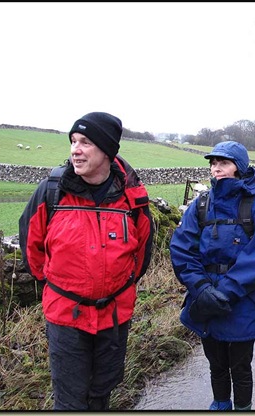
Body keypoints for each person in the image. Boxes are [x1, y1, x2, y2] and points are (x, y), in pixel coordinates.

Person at [18, 111, 153, 410]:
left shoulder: (132, 197)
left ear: (107, 150)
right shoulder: (52, 192)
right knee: (70, 401)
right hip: (66, 316)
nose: (75, 150)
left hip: (114, 315)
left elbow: (142, 253)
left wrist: (119, 284)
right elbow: (32, 248)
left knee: (101, 393)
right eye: (73, 141)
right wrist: (56, 286)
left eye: (85, 142)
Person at [170, 141, 255, 411]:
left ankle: (242, 408)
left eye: (224, 163)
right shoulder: (201, 205)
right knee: (216, 362)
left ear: (239, 168)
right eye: (213, 163)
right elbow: (182, 248)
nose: (216, 169)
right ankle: (220, 404)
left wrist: (226, 291)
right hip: (205, 296)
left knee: (240, 365)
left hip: (243, 300)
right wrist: (201, 287)